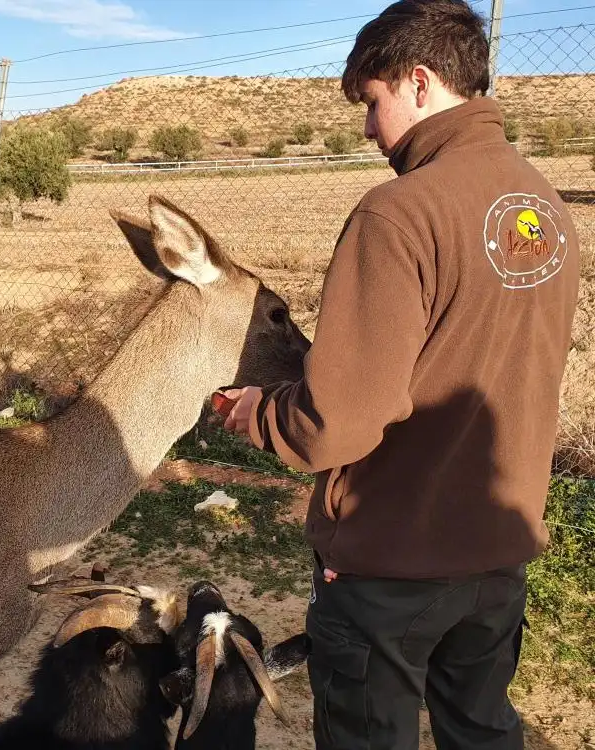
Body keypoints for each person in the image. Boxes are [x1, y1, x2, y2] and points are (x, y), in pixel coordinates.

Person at [219, 1, 581, 748]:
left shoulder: (397, 215)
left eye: (372, 102)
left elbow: (339, 422)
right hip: (498, 557)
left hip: (392, 567)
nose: (366, 128)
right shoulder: (546, 208)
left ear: (419, 83)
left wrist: (258, 411)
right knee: (482, 731)